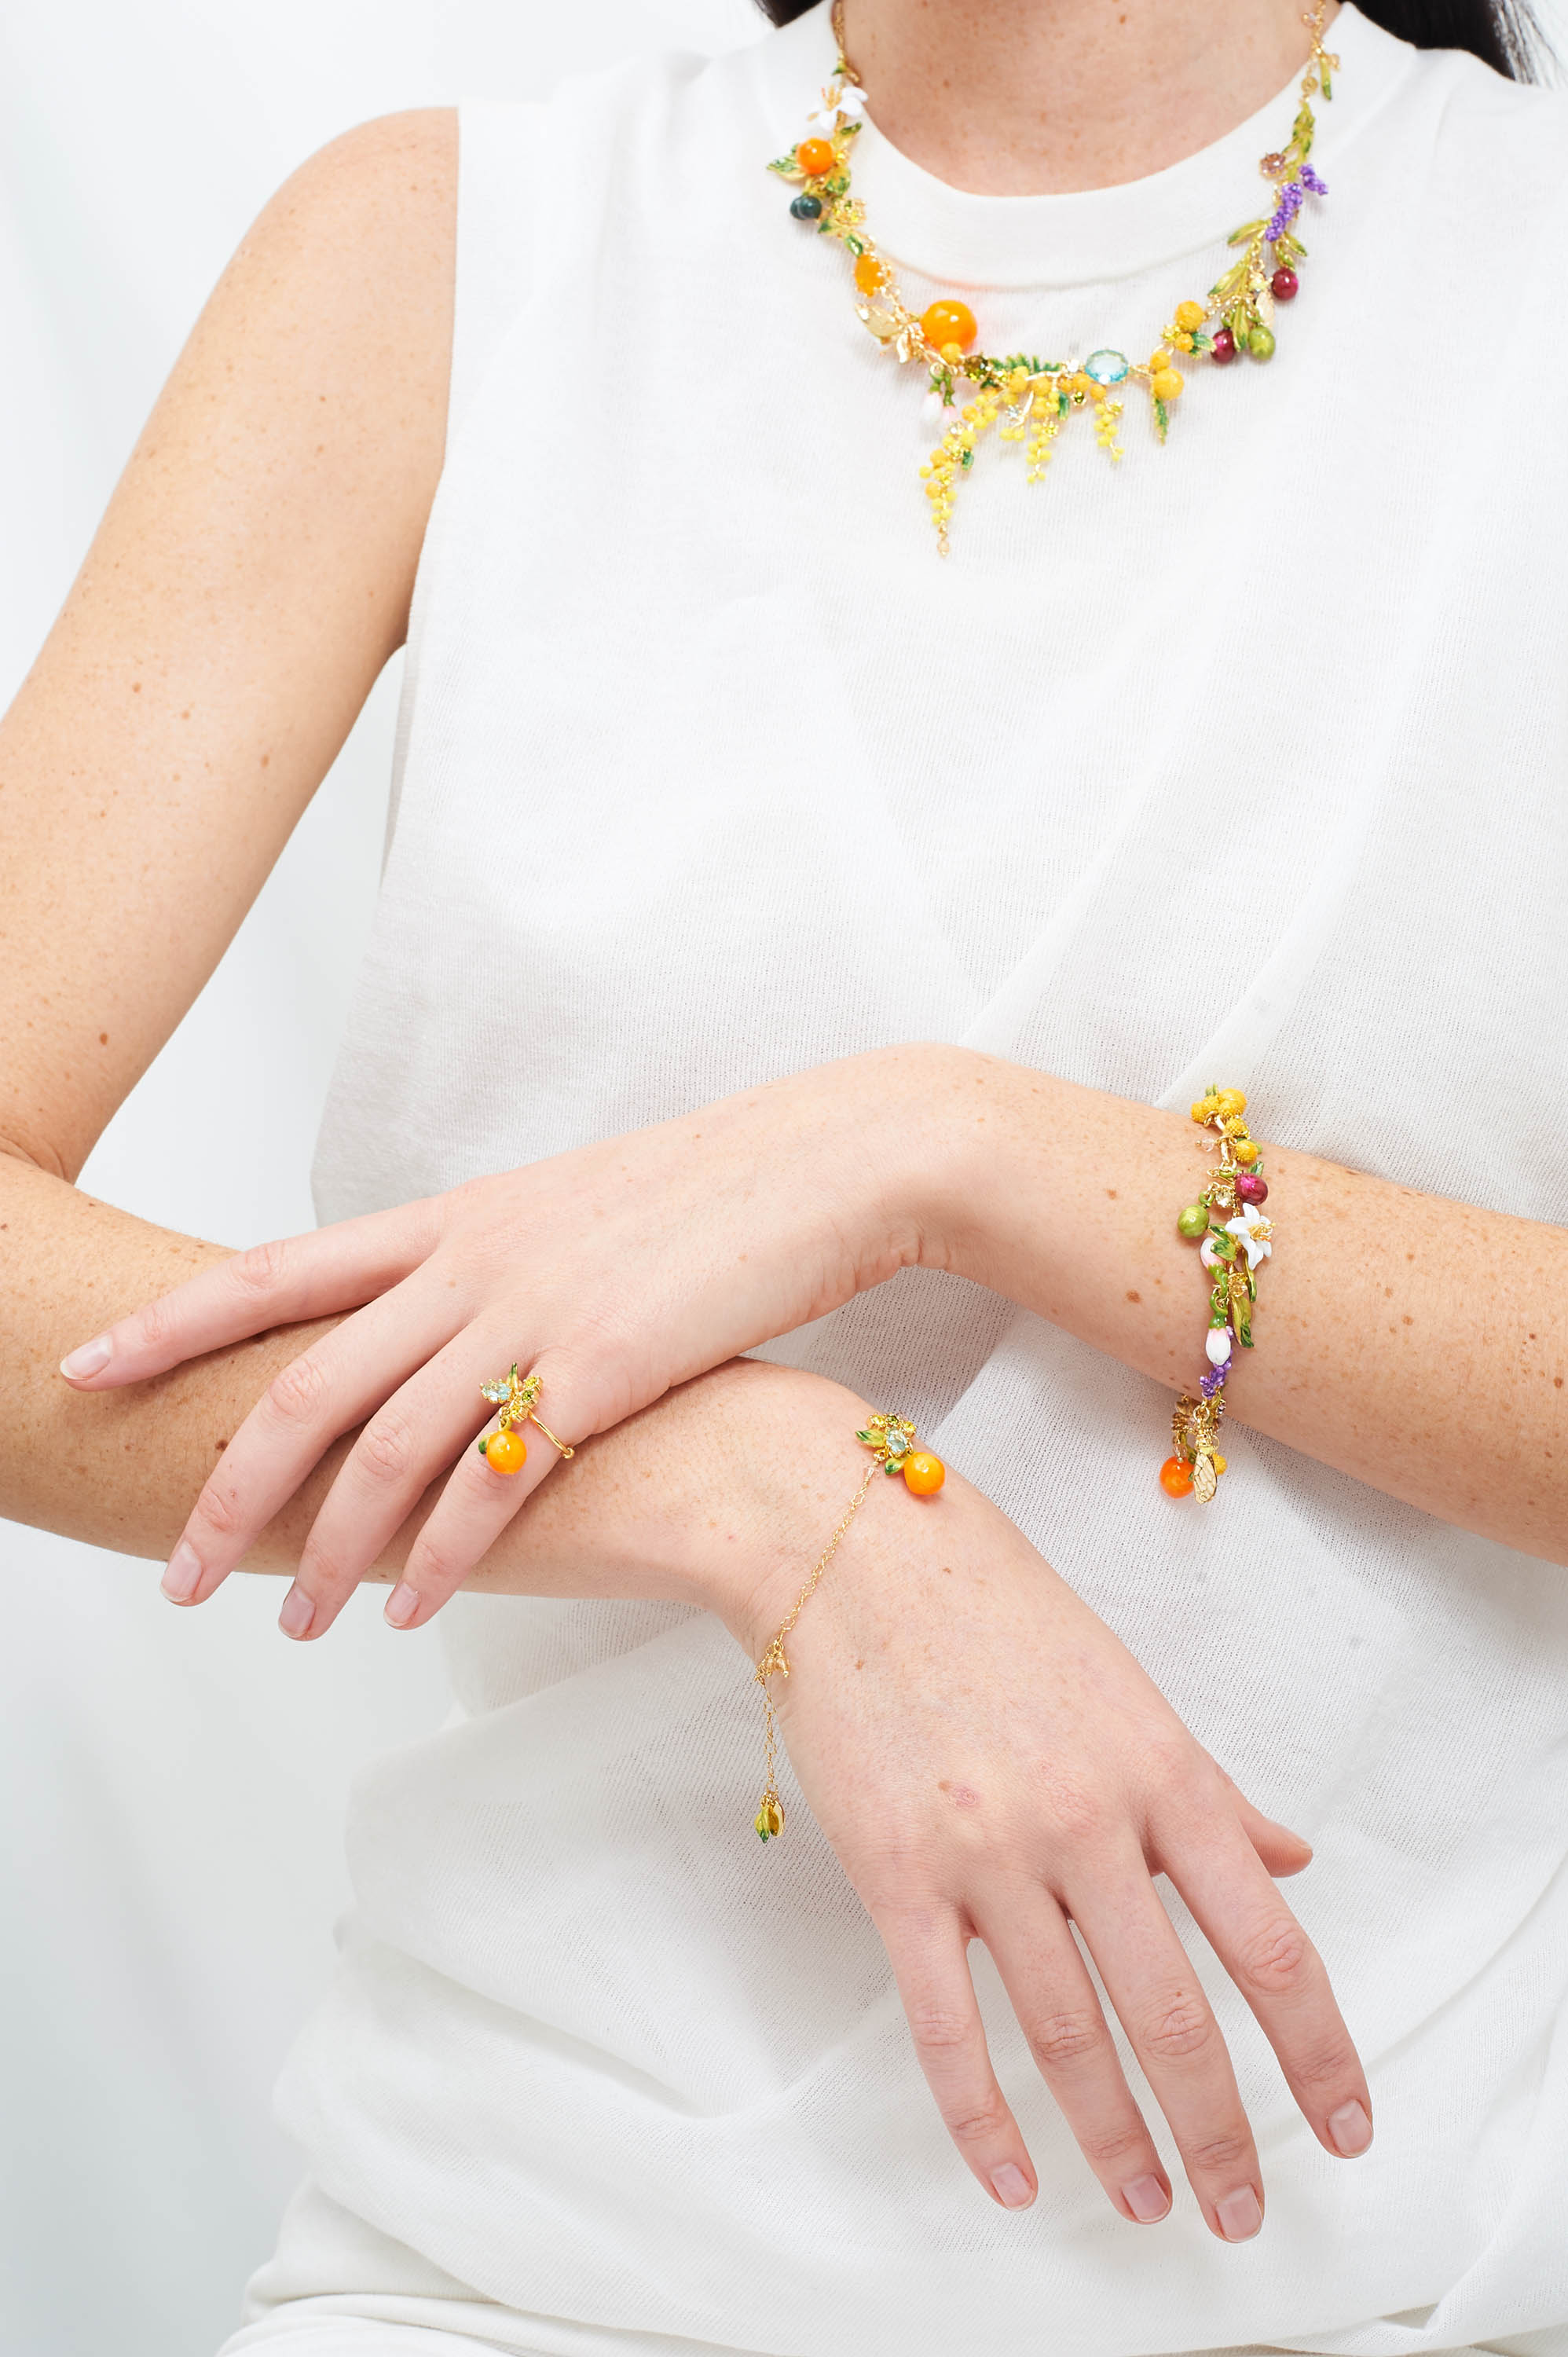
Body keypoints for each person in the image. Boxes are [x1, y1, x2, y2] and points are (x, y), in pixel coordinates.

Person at [2, 0, 1564, 2347]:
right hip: (504, 2264)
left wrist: (953, 1153)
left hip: (1416, 2272)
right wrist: (767, 1498)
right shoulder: (437, 261)